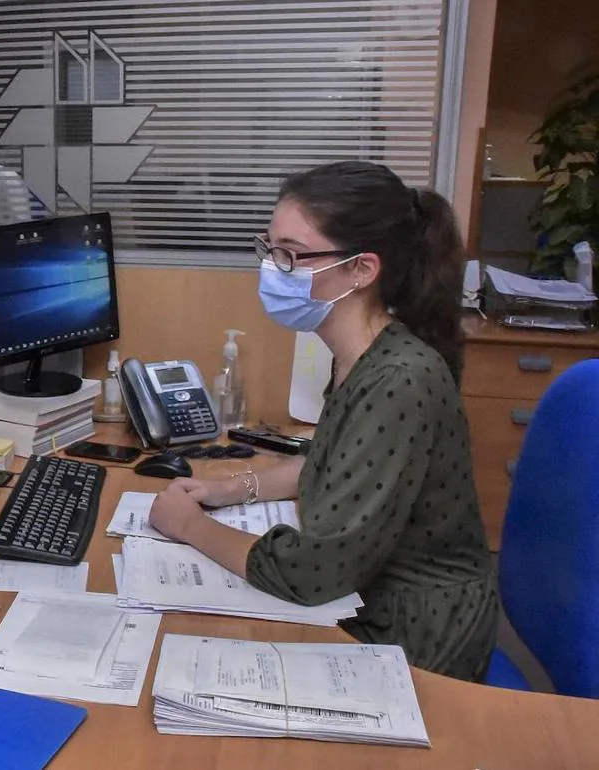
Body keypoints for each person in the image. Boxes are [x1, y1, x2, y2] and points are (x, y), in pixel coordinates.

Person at [149, 161, 498, 681]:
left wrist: (189, 527)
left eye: (290, 255)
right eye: (269, 249)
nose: (271, 268)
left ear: (362, 270)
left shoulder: (400, 377)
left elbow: (310, 572)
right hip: (370, 589)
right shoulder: (363, 352)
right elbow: (330, 458)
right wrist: (227, 489)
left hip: (415, 631)